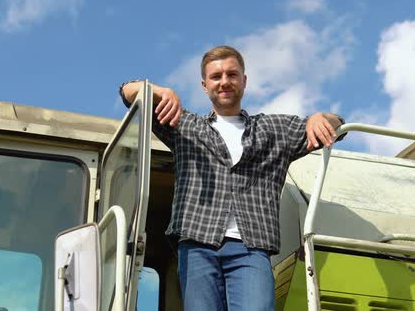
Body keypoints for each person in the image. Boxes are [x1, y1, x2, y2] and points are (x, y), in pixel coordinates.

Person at [119, 45, 344, 311]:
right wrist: (159, 91)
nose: (224, 81)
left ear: (244, 81)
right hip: (197, 245)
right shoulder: (184, 125)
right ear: (205, 85)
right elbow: (127, 92)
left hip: (252, 248)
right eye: (216, 76)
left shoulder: (274, 129)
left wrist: (319, 117)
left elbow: (338, 125)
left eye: (232, 74)